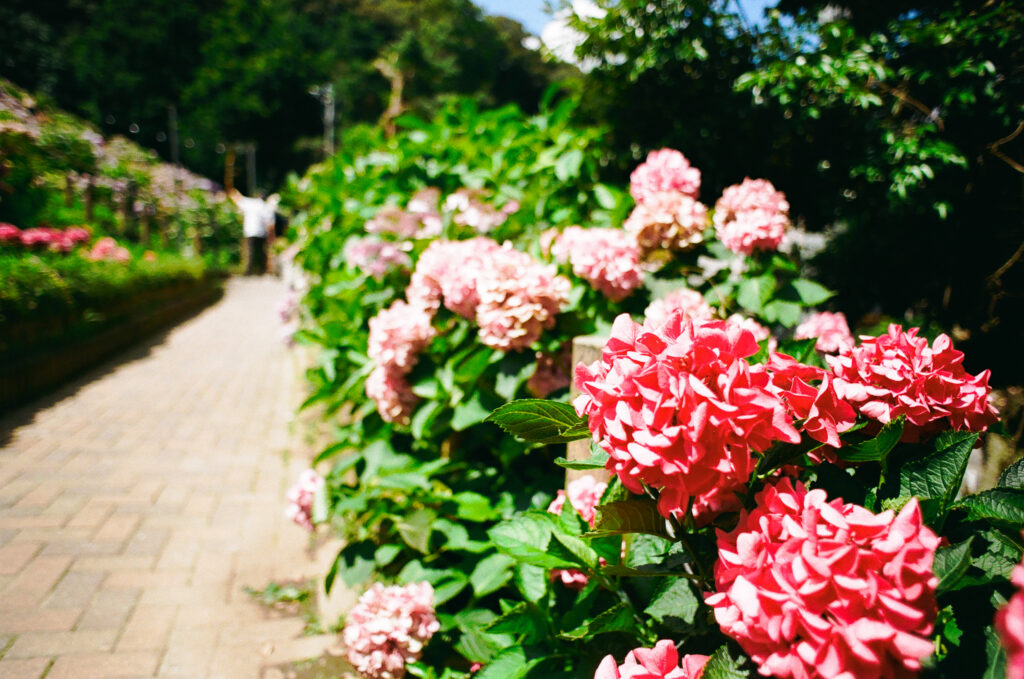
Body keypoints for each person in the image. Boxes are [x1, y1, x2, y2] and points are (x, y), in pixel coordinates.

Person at [229, 189, 275, 275]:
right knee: (261, 252)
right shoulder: (265, 207)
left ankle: (248, 271)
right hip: (261, 233)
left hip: (250, 231)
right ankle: (261, 270)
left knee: (249, 252)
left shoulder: (250, 203)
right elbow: (270, 224)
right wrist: (271, 236)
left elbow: (237, 198)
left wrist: (232, 189)